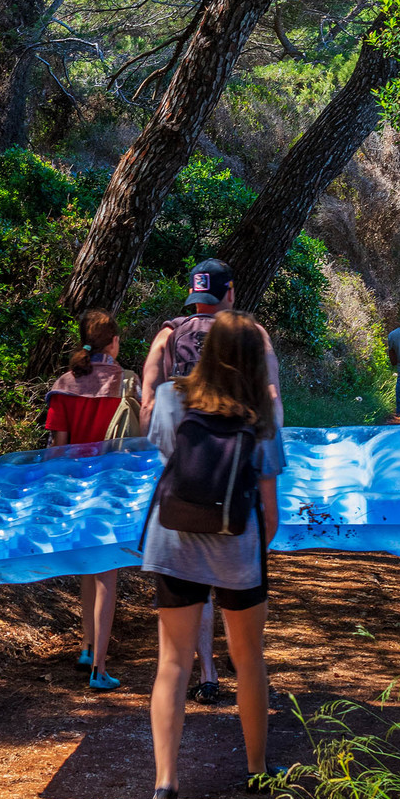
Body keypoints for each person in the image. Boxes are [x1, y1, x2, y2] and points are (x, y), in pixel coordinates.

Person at [139, 311, 286, 799]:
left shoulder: (174, 398)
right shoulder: (260, 411)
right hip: (236, 545)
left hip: (173, 539)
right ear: (250, 357)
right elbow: (269, 509)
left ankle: (164, 782)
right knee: (248, 658)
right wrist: (247, 547)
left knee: (173, 661)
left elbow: (164, 456)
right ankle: (257, 768)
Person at [141, 260, 285, 709]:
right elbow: (273, 398)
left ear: (192, 295)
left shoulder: (167, 335)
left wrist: (179, 445)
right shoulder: (250, 334)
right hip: (236, 477)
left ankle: (205, 672)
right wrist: (260, 448)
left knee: (187, 578)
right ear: (230, 293)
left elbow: (148, 404)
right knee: (233, 575)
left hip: (181, 474)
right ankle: (240, 667)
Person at [45, 309, 140, 692]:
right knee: (106, 575)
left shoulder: (65, 383)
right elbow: (142, 441)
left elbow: (57, 447)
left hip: (74, 488)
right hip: (113, 488)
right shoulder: (128, 383)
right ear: (114, 342)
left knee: (88, 568)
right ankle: (100, 668)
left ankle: (86, 646)